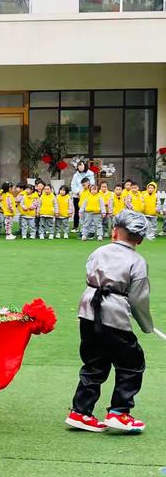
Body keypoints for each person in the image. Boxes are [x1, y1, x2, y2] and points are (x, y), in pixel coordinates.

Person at [65, 210, 153, 433]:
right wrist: (146, 326)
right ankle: (119, 412)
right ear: (140, 239)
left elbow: (90, 274)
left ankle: (80, 412)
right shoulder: (137, 262)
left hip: (88, 311)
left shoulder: (99, 251)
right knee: (132, 363)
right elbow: (138, 299)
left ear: (114, 231)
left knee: (94, 362)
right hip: (114, 316)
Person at [71, 161, 95, 232]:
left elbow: (92, 183)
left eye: (81, 165)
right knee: (77, 211)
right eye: (79, 166)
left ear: (85, 165)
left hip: (87, 195)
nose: (80, 167)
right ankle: (75, 226)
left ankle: (89, 228)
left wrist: (85, 191)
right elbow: (73, 185)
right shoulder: (75, 175)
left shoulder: (90, 173)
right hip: (77, 195)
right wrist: (78, 192)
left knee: (87, 211)